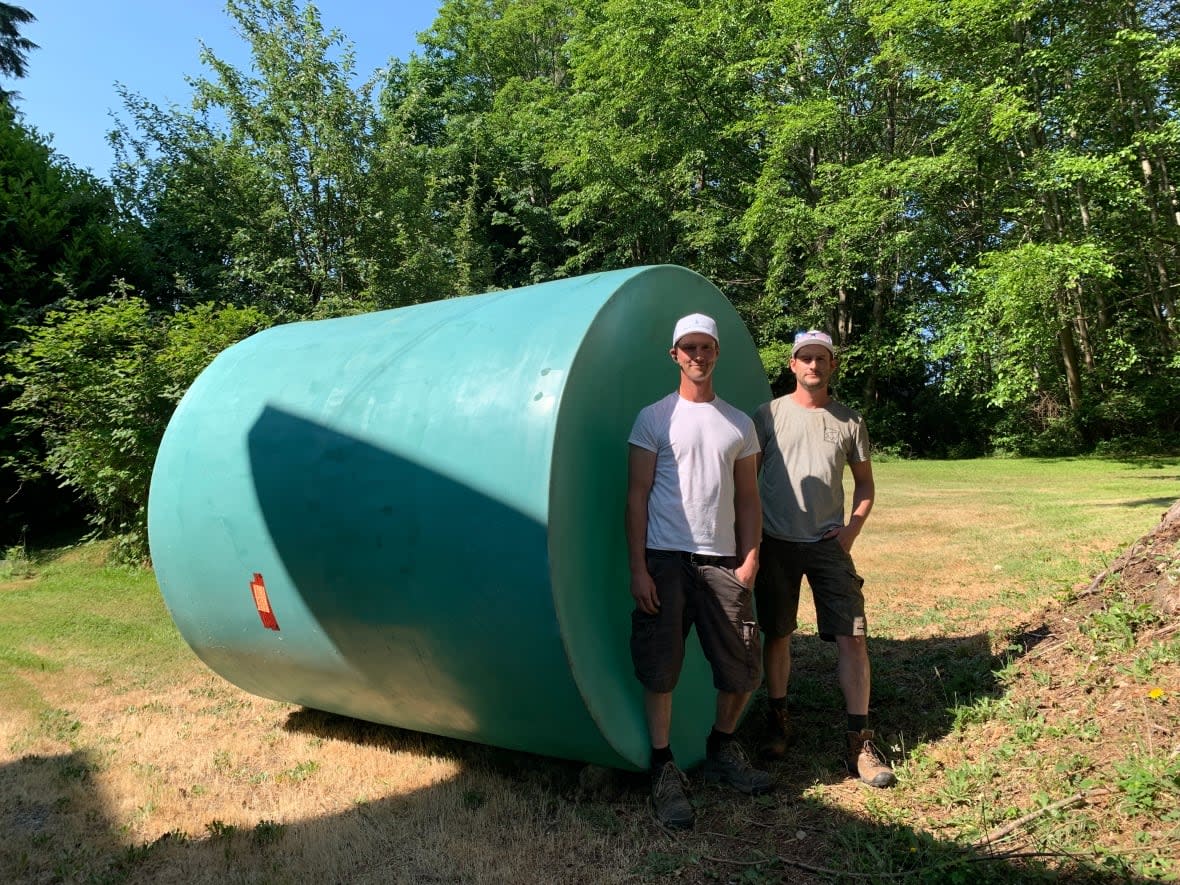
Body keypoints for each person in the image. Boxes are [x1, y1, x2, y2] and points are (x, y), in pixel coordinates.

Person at [626, 312, 771, 829]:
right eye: (688, 347)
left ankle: (722, 751)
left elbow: (750, 500)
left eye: (706, 347)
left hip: (722, 564)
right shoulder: (653, 419)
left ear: (716, 352)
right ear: (674, 355)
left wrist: (750, 559)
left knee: (741, 669)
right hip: (665, 561)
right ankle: (663, 770)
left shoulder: (738, 424)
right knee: (661, 669)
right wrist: (639, 569)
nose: (698, 356)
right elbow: (637, 498)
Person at [753, 329, 896, 788]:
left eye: (821, 358)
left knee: (853, 636)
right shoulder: (767, 416)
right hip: (775, 542)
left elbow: (866, 485)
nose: (813, 365)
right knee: (777, 634)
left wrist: (850, 530)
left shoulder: (849, 422)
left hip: (828, 546)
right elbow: (745, 481)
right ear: (792, 365)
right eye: (805, 358)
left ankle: (860, 740)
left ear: (832, 366)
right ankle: (778, 720)